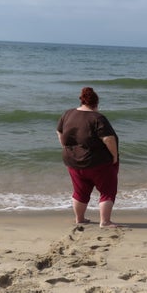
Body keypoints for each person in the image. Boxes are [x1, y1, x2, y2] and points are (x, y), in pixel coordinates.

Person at [56, 87, 120, 227]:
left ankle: (80, 219)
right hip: (97, 162)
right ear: (96, 103)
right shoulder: (98, 118)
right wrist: (114, 156)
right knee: (107, 190)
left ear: (82, 101)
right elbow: (108, 139)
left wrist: (65, 147)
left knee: (80, 191)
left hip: (72, 160)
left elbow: (59, 132)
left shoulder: (68, 114)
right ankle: (105, 221)